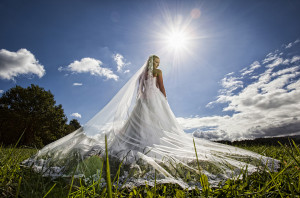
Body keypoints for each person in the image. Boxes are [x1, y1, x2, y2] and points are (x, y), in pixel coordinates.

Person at [23, 55, 280, 188]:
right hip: (154, 102)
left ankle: (135, 149)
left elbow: (138, 93)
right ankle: (148, 147)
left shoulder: (140, 75)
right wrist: (164, 104)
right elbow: (162, 89)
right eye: (157, 61)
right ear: (156, 63)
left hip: (143, 103)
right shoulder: (157, 72)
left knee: (135, 129)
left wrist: (146, 102)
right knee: (162, 129)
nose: (157, 64)